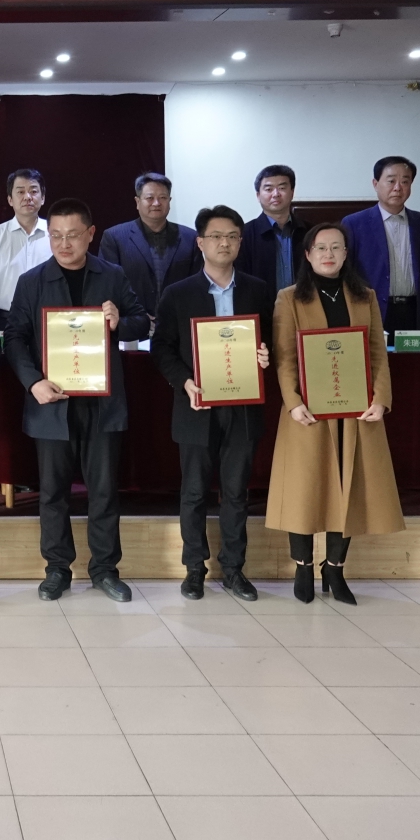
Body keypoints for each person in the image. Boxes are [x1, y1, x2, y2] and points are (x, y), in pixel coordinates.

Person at [5, 198, 149, 603]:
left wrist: (120, 322)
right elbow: (14, 338)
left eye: (72, 235)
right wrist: (33, 382)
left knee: (103, 491)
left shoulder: (112, 275)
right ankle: (57, 569)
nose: (63, 244)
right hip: (51, 403)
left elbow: (142, 320)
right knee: (52, 493)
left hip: (102, 405)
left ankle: (104, 570)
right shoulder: (32, 281)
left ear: (90, 234)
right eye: (55, 236)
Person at [267, 224, 403, 605]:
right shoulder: (289, 298)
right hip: (307, 412)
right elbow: (284, 357)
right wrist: (293, 402)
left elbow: (377, 353)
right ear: (307, 255)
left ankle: (335, 569)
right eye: (320, 248)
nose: (328, 254)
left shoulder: (365, 297)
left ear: (346, 254)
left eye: (336, 247)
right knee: (305, 491)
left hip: (355, 412)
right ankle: (302, 568)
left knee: (348, 490)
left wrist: (381, 398)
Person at [153, 206, 274, 603]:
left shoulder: (258, 290)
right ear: (201, 243)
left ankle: (234, 570)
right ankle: (194, 569)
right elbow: (162, 348)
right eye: (217, 236)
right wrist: (184, 382)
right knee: (193, 492)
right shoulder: (178, 293)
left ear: (240, 242)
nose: (225, 243)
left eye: (233, 236)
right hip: (196, 406)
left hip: (243, 408)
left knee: (236, 492)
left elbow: (273, 340)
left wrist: (266, 355)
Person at [341, 156, 420, 344]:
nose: (398, 187)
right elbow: (346, 274)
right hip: (372, 313)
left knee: (415, 362)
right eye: (391, 181)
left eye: (405, 181)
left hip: (415, 315)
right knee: (376, 362)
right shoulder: (354, 224)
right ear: (375, 184)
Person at [98, 172, 203, 324]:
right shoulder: (114, 237)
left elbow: (197, 284)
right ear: (137, 201)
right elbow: (107, 285)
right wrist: (136, 315)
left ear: (169, 201)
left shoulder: (190, 237)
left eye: (163, 198)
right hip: (132, 323)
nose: (156, 203)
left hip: (177, 323)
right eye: (150, 198)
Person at [0, 168, 52, 331]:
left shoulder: (55, 234)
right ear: (10, 199)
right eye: (20, 192)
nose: (28, 197)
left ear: (43, 198)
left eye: (34, 191)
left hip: (49, 320)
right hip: (6, 321)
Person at [237, 165, 309, 295]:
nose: (276, 194)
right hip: (260, 305)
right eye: (268, 189)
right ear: (258, 195)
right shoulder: (243, 234)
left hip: (303, 304)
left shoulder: (310, 232)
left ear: (292, 192)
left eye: (282, 188)